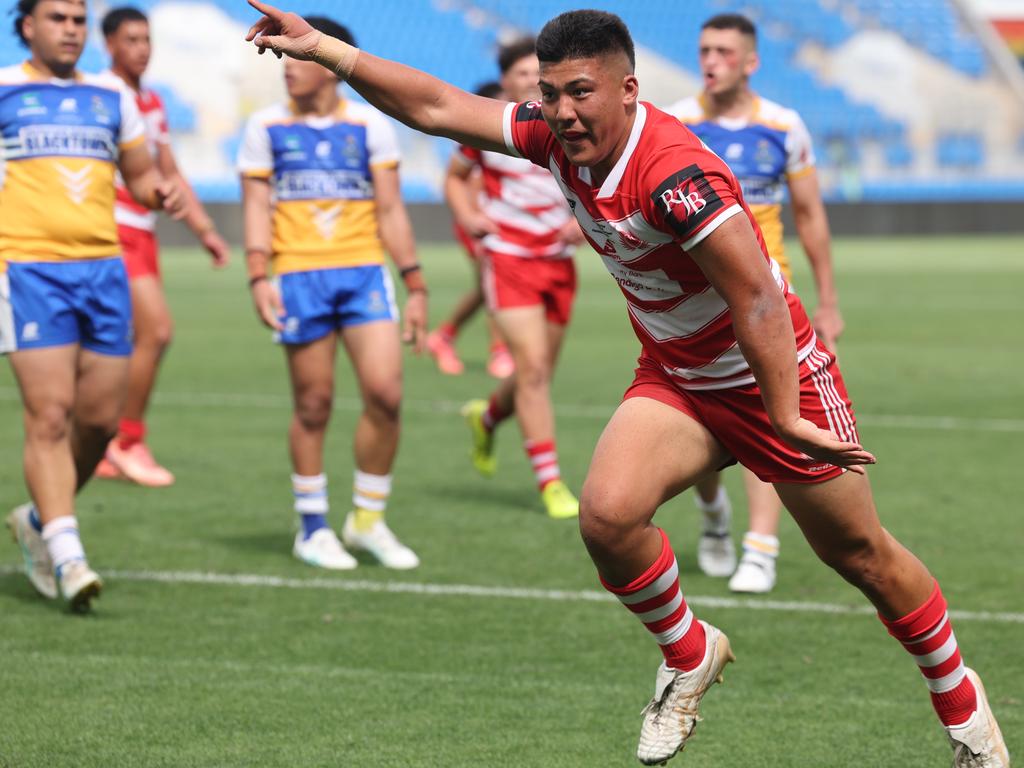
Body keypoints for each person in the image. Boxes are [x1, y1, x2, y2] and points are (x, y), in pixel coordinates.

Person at [244, 3, 1008, 766]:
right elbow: (439, 106)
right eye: (550, 93)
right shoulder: (550, 139)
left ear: (629, 90)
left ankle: (965, 712)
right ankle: (689, 651)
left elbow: (758, 298)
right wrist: (327, 52)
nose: (564, 112)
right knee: (607, 519)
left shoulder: (675, 172)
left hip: (773, 374)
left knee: (860, 556)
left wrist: (781, 412)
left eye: (581, 92)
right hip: (680, 378)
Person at [2, 0, 185, 611]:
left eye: (78, 19)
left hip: (105, 272)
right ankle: (68, 553)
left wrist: (160, 190)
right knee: (50, 415)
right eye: (57, 18)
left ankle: (37, 517)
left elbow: (137, 177)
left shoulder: (112, 96)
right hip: (28, 271)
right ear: (27, 26)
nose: (71, 29)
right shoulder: (4, 89)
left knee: (100, 425)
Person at [664, 13, 845, 594]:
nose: (710, 61)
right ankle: (714, 516)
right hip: (691, 306)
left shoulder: (784, 126)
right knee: (694, 423)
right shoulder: (677, 123)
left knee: (773, 416)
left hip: (770, 299)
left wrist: (829, 300)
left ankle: (760, 548)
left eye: (722, 51)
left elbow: (811, 215)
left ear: (751, 61)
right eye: (703, 50)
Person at [238, 15, 425, 571]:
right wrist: (257, 276)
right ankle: (312, 527)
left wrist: (414, 283)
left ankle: (367, 520)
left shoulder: (371, 127)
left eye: (297, 57)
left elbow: (390, 209)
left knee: (386, 395)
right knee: (314, 404)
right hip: (298, 276)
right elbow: (254, 207)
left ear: (329, 63)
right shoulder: (264, 127)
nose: (287, 69)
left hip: (364, 274)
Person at [92, 5, 231, 488]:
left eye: (146, 39)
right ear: (108, 44)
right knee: (156, 332)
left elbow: (169, 174)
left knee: (124, 342)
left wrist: (205, 230)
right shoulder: (102, 94)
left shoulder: (150, 101)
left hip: (142, 232)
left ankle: (105, 443)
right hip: (110, 230)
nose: (142, 49)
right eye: (130, 39)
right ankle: (126, 441)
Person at [453, 37, 585, 520]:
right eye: (523, 73)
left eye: (538, 73)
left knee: (537, 373)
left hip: (557, 262)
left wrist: (583, 223)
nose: (532, 80)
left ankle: (485, 418)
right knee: (530, 370)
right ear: (505, 80)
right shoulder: (487, 127)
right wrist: (468, 212)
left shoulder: (567, 126)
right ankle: (551, 482)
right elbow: (453, 177)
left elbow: (594, 185)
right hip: (508, 259)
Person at [426, 80, 515, 380]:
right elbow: (464, 182)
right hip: (480, 225)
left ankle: (444, 337)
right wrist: (472, 219)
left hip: (495, 225)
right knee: (494, 287)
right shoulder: (479, 139)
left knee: (486, 288)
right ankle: (498, 349)